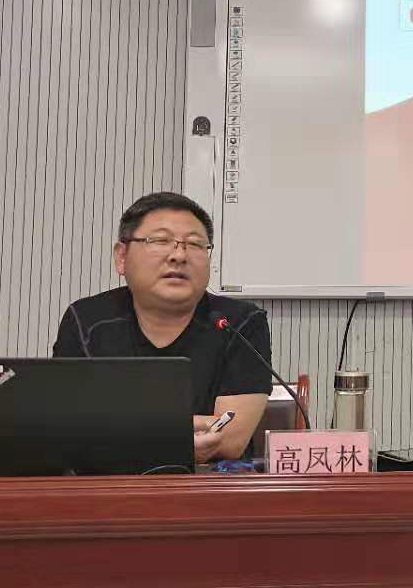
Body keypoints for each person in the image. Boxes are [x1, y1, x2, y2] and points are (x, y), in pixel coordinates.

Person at [52, 191, 270, 463]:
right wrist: (173, 439)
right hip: (109, 484)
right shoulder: (87, 320)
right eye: (160, 241)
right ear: (121, 257)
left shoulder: (239, 323)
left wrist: (120, 435)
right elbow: (67, 430)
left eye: (195, 244)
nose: (178, 255)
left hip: (208, 483)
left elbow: (230, 440)